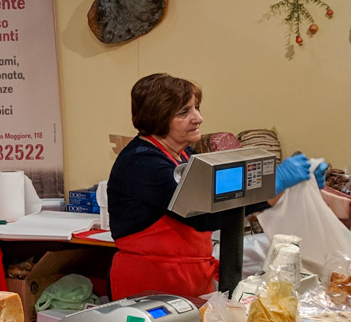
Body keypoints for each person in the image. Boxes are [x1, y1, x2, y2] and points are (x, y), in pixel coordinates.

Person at [107, 73, 324, 300]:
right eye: (184, 112)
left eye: (196, 108)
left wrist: (283, 187)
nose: (198, 118)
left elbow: (223, 193)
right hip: (150, 286)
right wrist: (273, 186)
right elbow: (202, 216)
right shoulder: (142, 163)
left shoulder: (183, 156)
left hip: (188, 278)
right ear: (157, 118)